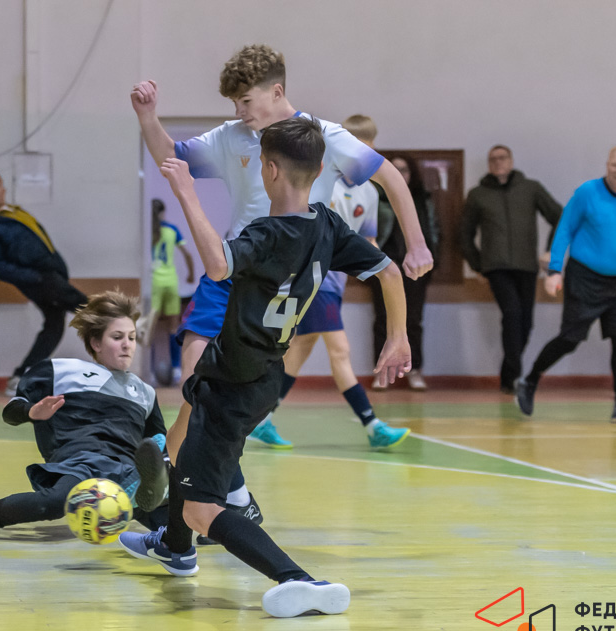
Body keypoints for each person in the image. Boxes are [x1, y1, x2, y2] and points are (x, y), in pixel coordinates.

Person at [118, 117, 412, 618]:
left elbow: (218, 265)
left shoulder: (268, 232)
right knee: (184, 447)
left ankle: (298, 579)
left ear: (269, 170)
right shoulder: (327, 224)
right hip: (262, 373)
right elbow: (388, 271)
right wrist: (397, 336)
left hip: (233, 379)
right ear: (318, 170)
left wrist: (186, 192)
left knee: (201, 508)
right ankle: (175, 547)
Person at [130, 44, 431, 464]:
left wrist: (417, 244)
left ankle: (195, 475)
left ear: (276, 91)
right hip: (232, 268)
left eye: (245, 101)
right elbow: (170, 158)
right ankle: (174, 476)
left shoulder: (322, 136)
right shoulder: (231, 136)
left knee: (229, 398)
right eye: (234, 104)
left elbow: (391, 178)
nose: (239, 111)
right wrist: (148, 117)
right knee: (195, 386)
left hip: (285, 284)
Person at [0, 291, 170, 539]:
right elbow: (11, 413)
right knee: (54, 503)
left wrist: (165, 462)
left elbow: (158, 446)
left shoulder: (145, 392)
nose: (127, 345)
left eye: (132, 337)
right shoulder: (60, 371)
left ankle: (151, 498)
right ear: (96, 343)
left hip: (125, 465)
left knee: (170, 524)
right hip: (81, 463)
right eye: (117, 337)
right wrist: (33, 412)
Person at [274, 114, 409, 449]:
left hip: (335, 283)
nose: (361, 159)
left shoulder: (370, 192)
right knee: (340, 350)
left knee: (299, 350)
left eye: (369, 152)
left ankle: (260, 418)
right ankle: (372, 425)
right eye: (357, 149)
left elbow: (369, 241)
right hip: (311, 276)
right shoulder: (322, 180)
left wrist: (383, 271)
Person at [514, 147, 616, 424]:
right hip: (584, 278)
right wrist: (554, 270)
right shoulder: (588, 192)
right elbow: (564, 229)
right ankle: (529, 382)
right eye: (614, 164)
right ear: (607, 165)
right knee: (570, 340)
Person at [0, 171, 87, 397]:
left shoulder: (14, 212)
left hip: (50, 273)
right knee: (79, 302)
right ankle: (125, 321)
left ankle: (21, 376)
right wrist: (35, 277)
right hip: (38, 278)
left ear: (3, 189)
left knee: (54, 325)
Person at [460, 145, 563, 393]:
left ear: (511, 160)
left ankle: (508, 374)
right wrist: (477, 265)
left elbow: (560, 217)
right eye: (493, 159)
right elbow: (464, 234)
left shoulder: (531, 188)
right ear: (488, 164)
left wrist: (551, 252)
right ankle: (514, 377)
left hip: (527, 266)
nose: (498, 162)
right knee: (512, 314)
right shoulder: (478, 195)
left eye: (502, 158)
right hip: (496, 267)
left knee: (526, 322)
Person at [370, 155, 439, 390]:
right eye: (395, 169)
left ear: (412, 174)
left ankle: (415, 370)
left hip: (415, 269)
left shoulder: (422, 199)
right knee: (383, 319)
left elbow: (434, 231)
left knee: (413, 320)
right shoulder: (378, 198)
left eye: (404, 170)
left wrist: (431, 260)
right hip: (384, 266)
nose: (400, 174)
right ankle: (381, 371)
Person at [149, 199, 195, 386]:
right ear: (162, 213)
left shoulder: (147, 230)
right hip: (170, 282)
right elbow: (188, 254)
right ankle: (176, 369)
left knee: (150, 328)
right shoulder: (172, 229)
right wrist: (191, 274)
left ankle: (150, 372)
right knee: (173, 327)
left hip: (153, 282)